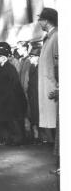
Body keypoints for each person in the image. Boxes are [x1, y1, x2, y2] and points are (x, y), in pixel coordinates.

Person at [0, 43, 27, 145]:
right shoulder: (1, 68)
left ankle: (18, 139)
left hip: (11, 100)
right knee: (7, 120)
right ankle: (11, 139)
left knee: (13, 120)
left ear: (4, 58)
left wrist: (6, 97)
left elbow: (13, 85)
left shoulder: (9, 68)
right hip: (4, 99)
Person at [37, 8, 58, 144]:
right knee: (53, 123)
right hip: (48, 89)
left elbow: (59, 65)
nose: (39, 22)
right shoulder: (48, 38)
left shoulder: (56, 37)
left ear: (46, 21)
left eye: (40, 19)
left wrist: (59, 88)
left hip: (53, 90)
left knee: (58, 123)